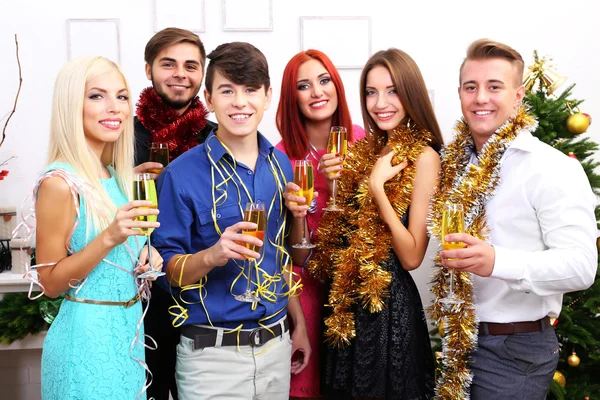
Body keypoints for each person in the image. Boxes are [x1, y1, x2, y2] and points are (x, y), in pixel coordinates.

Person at [430, 39, 597, 399]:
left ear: (519, 95)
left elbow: (582, 267)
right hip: (458, 344)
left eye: (495, 87)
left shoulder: (550, 167)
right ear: (459, 93)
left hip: (515, 350)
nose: (481, 98)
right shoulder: (454, 164)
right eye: (471, 87)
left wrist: (497, 261)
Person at [151, 41, 311, 400]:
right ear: (208, 97)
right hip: (211, 359)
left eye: (251, 90)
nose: (240, 102)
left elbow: (289, 258)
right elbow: (166, 273)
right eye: (227, 90)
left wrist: (297, 324)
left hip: (276, 348)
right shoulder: (180, 175)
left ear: (268, 96)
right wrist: (214, 254)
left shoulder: (280, 165)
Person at [308, 48, 441, 399]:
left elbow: (412, 257)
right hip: (345, 307)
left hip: (387, 311)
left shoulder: (425, 157)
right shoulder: (366, 150)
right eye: (371, 92)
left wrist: (377, 190)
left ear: (411, 93)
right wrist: (335, 186)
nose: (380, 102)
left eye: (392, 90)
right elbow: (346, 237)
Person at [35, 56, 163, 400]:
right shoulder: (59, 183)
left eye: (122, 97)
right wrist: (109, 237)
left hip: (127, 336)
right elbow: (49, 282)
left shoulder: (117, 177)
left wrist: (149, 254)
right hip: (85, 342)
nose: (115, 108)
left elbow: (125, 251)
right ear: (71, 105)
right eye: (97, 96)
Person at [275, 49, 365, 400]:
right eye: (304, 85)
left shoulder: (362, 141)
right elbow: (289, 255)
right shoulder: (281, 156)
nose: (317, 92)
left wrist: (346, 182)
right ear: (290, 97)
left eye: (324, 80)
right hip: (304, 292)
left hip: (356, 286)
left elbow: (375, 228)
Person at [133, 27, 217, 400]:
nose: (180, 73)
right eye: (169, 64)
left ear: (202, 75)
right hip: (132, 292)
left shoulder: (217, 138)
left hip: (200, 289)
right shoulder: (119, 132)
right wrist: (125, 182)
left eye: (191, 65)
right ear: (149, 68)